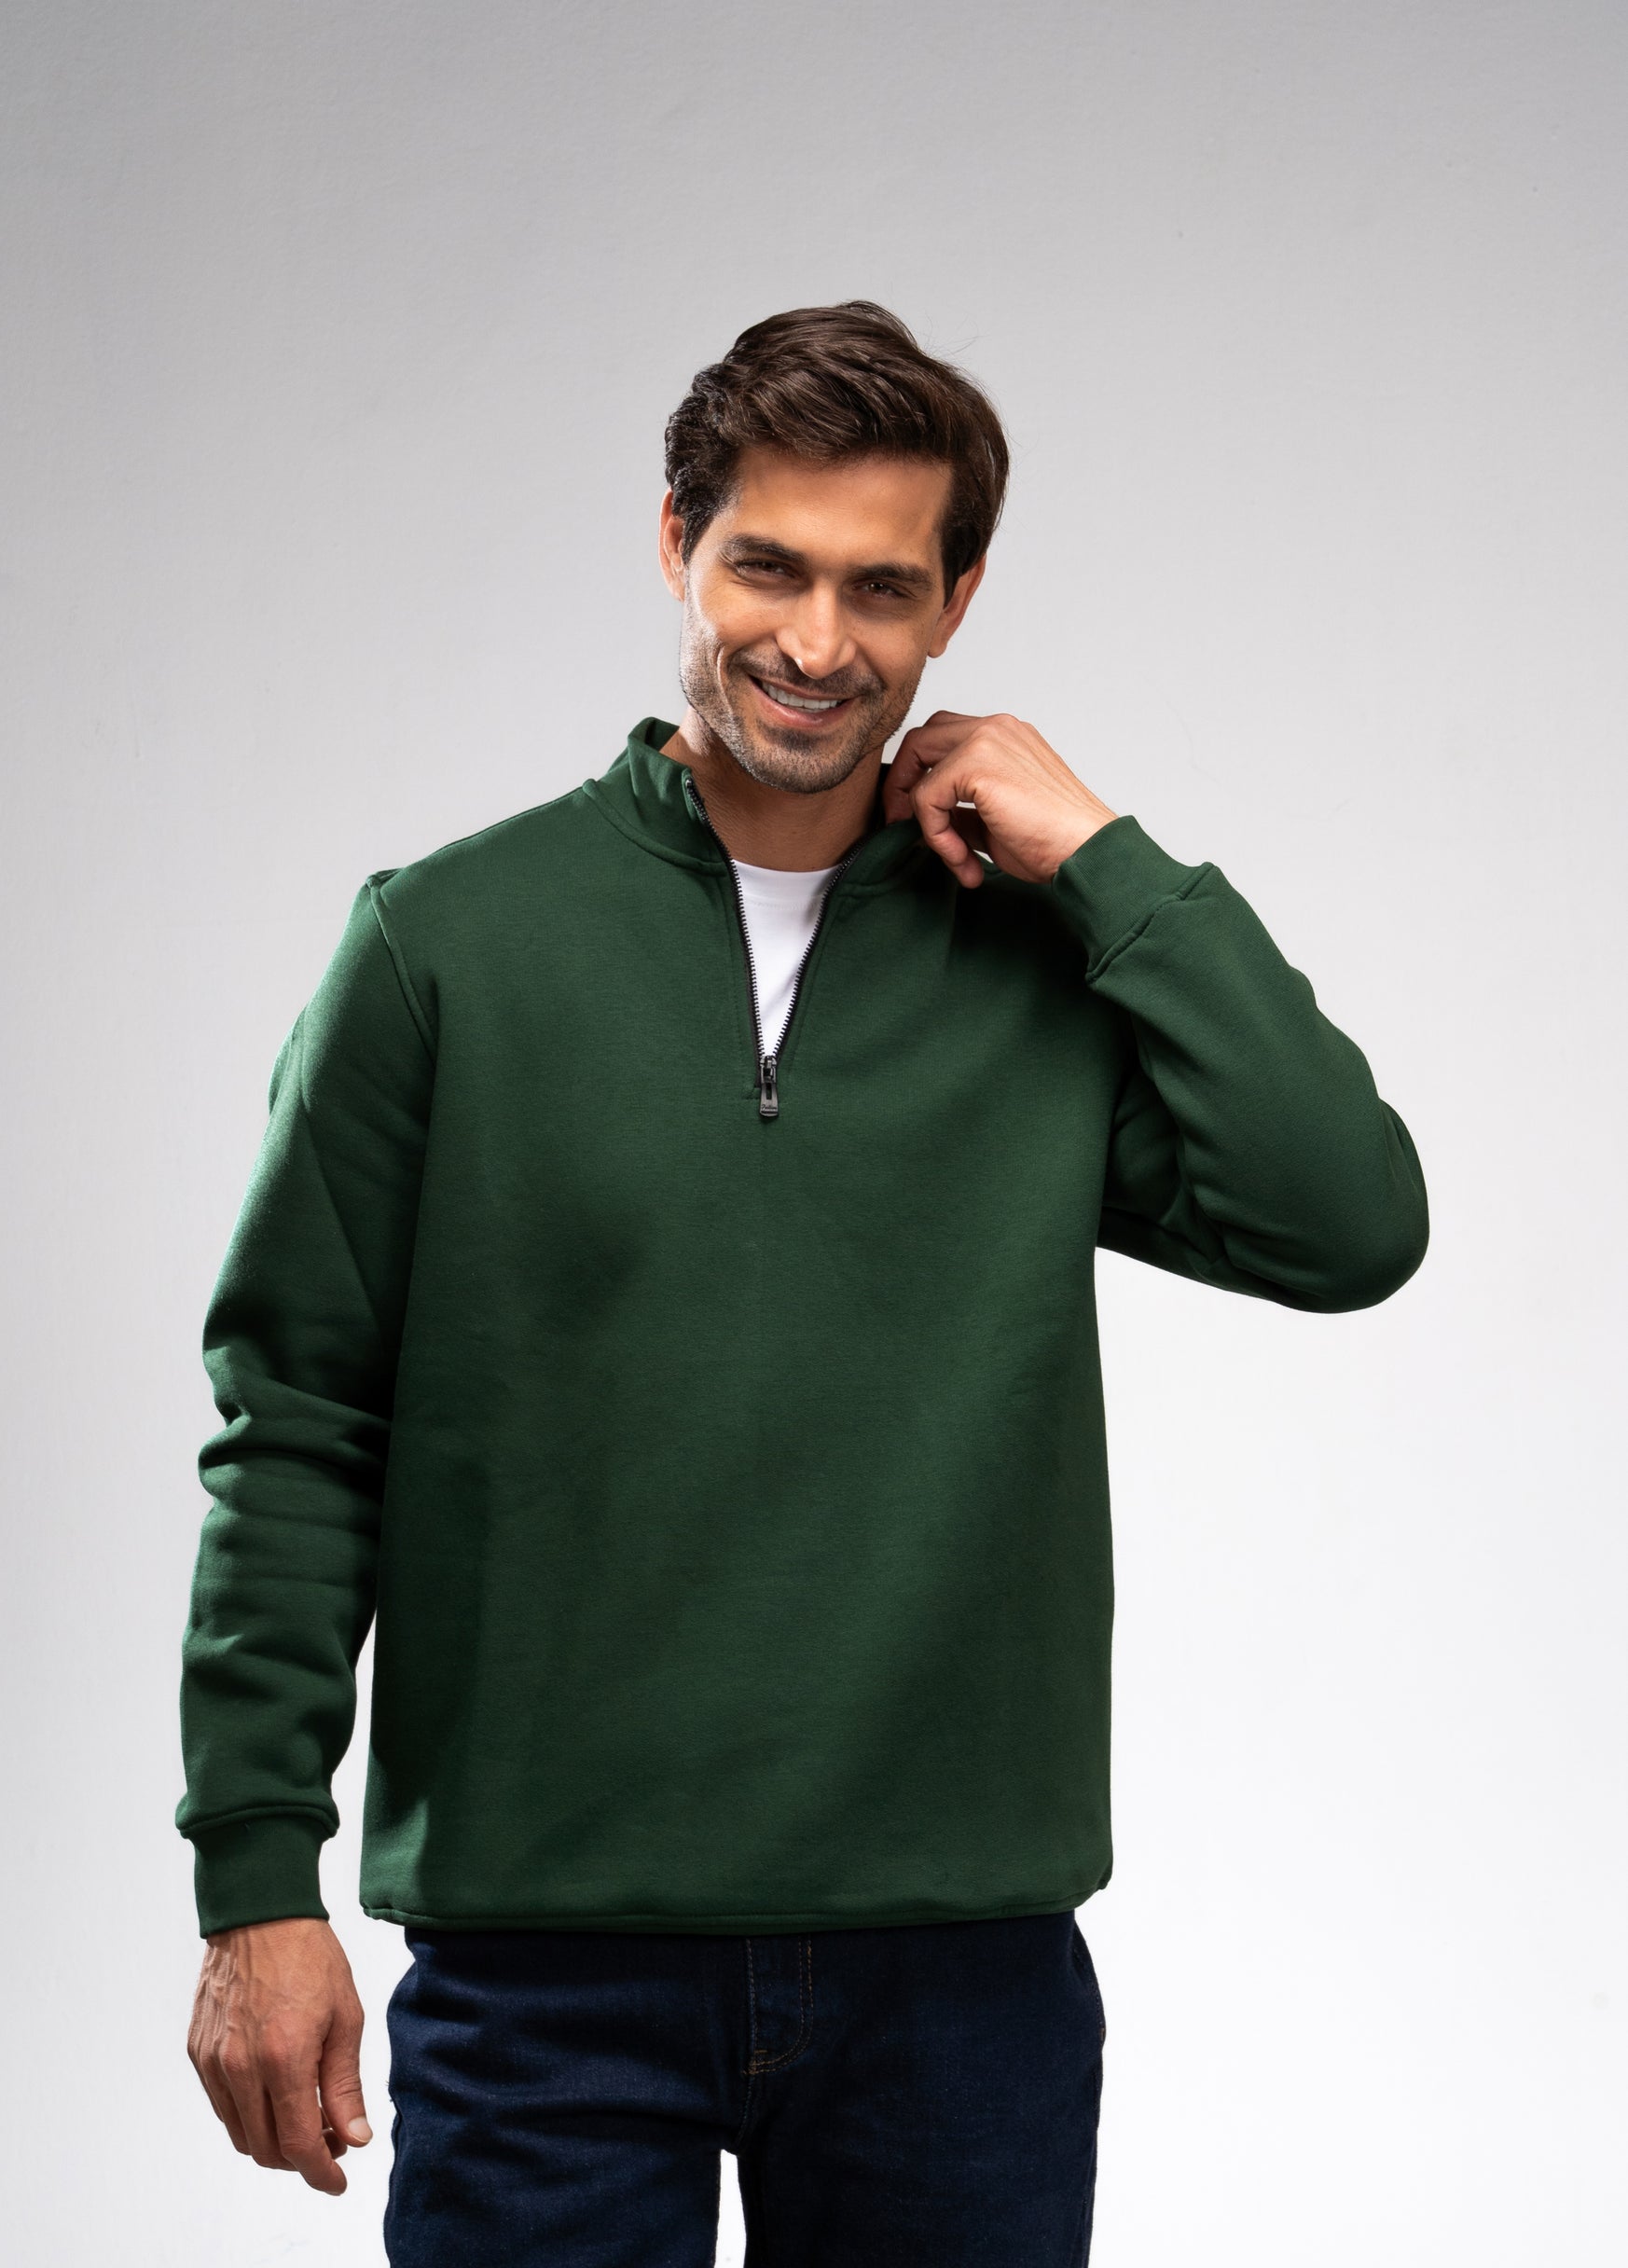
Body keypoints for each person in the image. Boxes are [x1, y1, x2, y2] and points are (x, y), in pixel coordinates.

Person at [177, 300, 1429, 2265]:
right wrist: (257, 1879)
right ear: (676, 540)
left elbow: (1347, 1221)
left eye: (881, 587)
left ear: (956, 603)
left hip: (958, 1972)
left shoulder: (1035, 966)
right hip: (544, 1960)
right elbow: (298, 1423)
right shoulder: (446, 945)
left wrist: (1106, 860)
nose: (818, 643)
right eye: (768, 565)